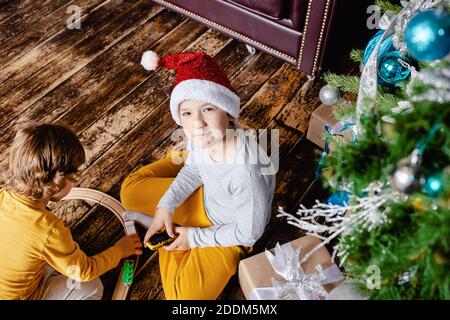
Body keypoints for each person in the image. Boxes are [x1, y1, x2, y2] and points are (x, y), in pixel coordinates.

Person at [121, 51, 276, 299]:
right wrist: (166, 205)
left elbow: (249, 233)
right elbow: (194, 169)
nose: (198, 123)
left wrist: (193, 238)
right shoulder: (201, 137)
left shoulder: (246, 171)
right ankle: (171, 216)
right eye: (187, 113)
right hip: (204, 197)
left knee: (184, 298)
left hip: (228, 230)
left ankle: (173, 238)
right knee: (129, 193)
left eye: (208, 109)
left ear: (228, 111)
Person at [0, 123, 142, 300]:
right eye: (73, 177)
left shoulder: (3, 195)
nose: (75, 181)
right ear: (55, 184)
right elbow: (84, 271)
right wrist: (119, 251)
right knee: (91, 286)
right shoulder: (49, 230)